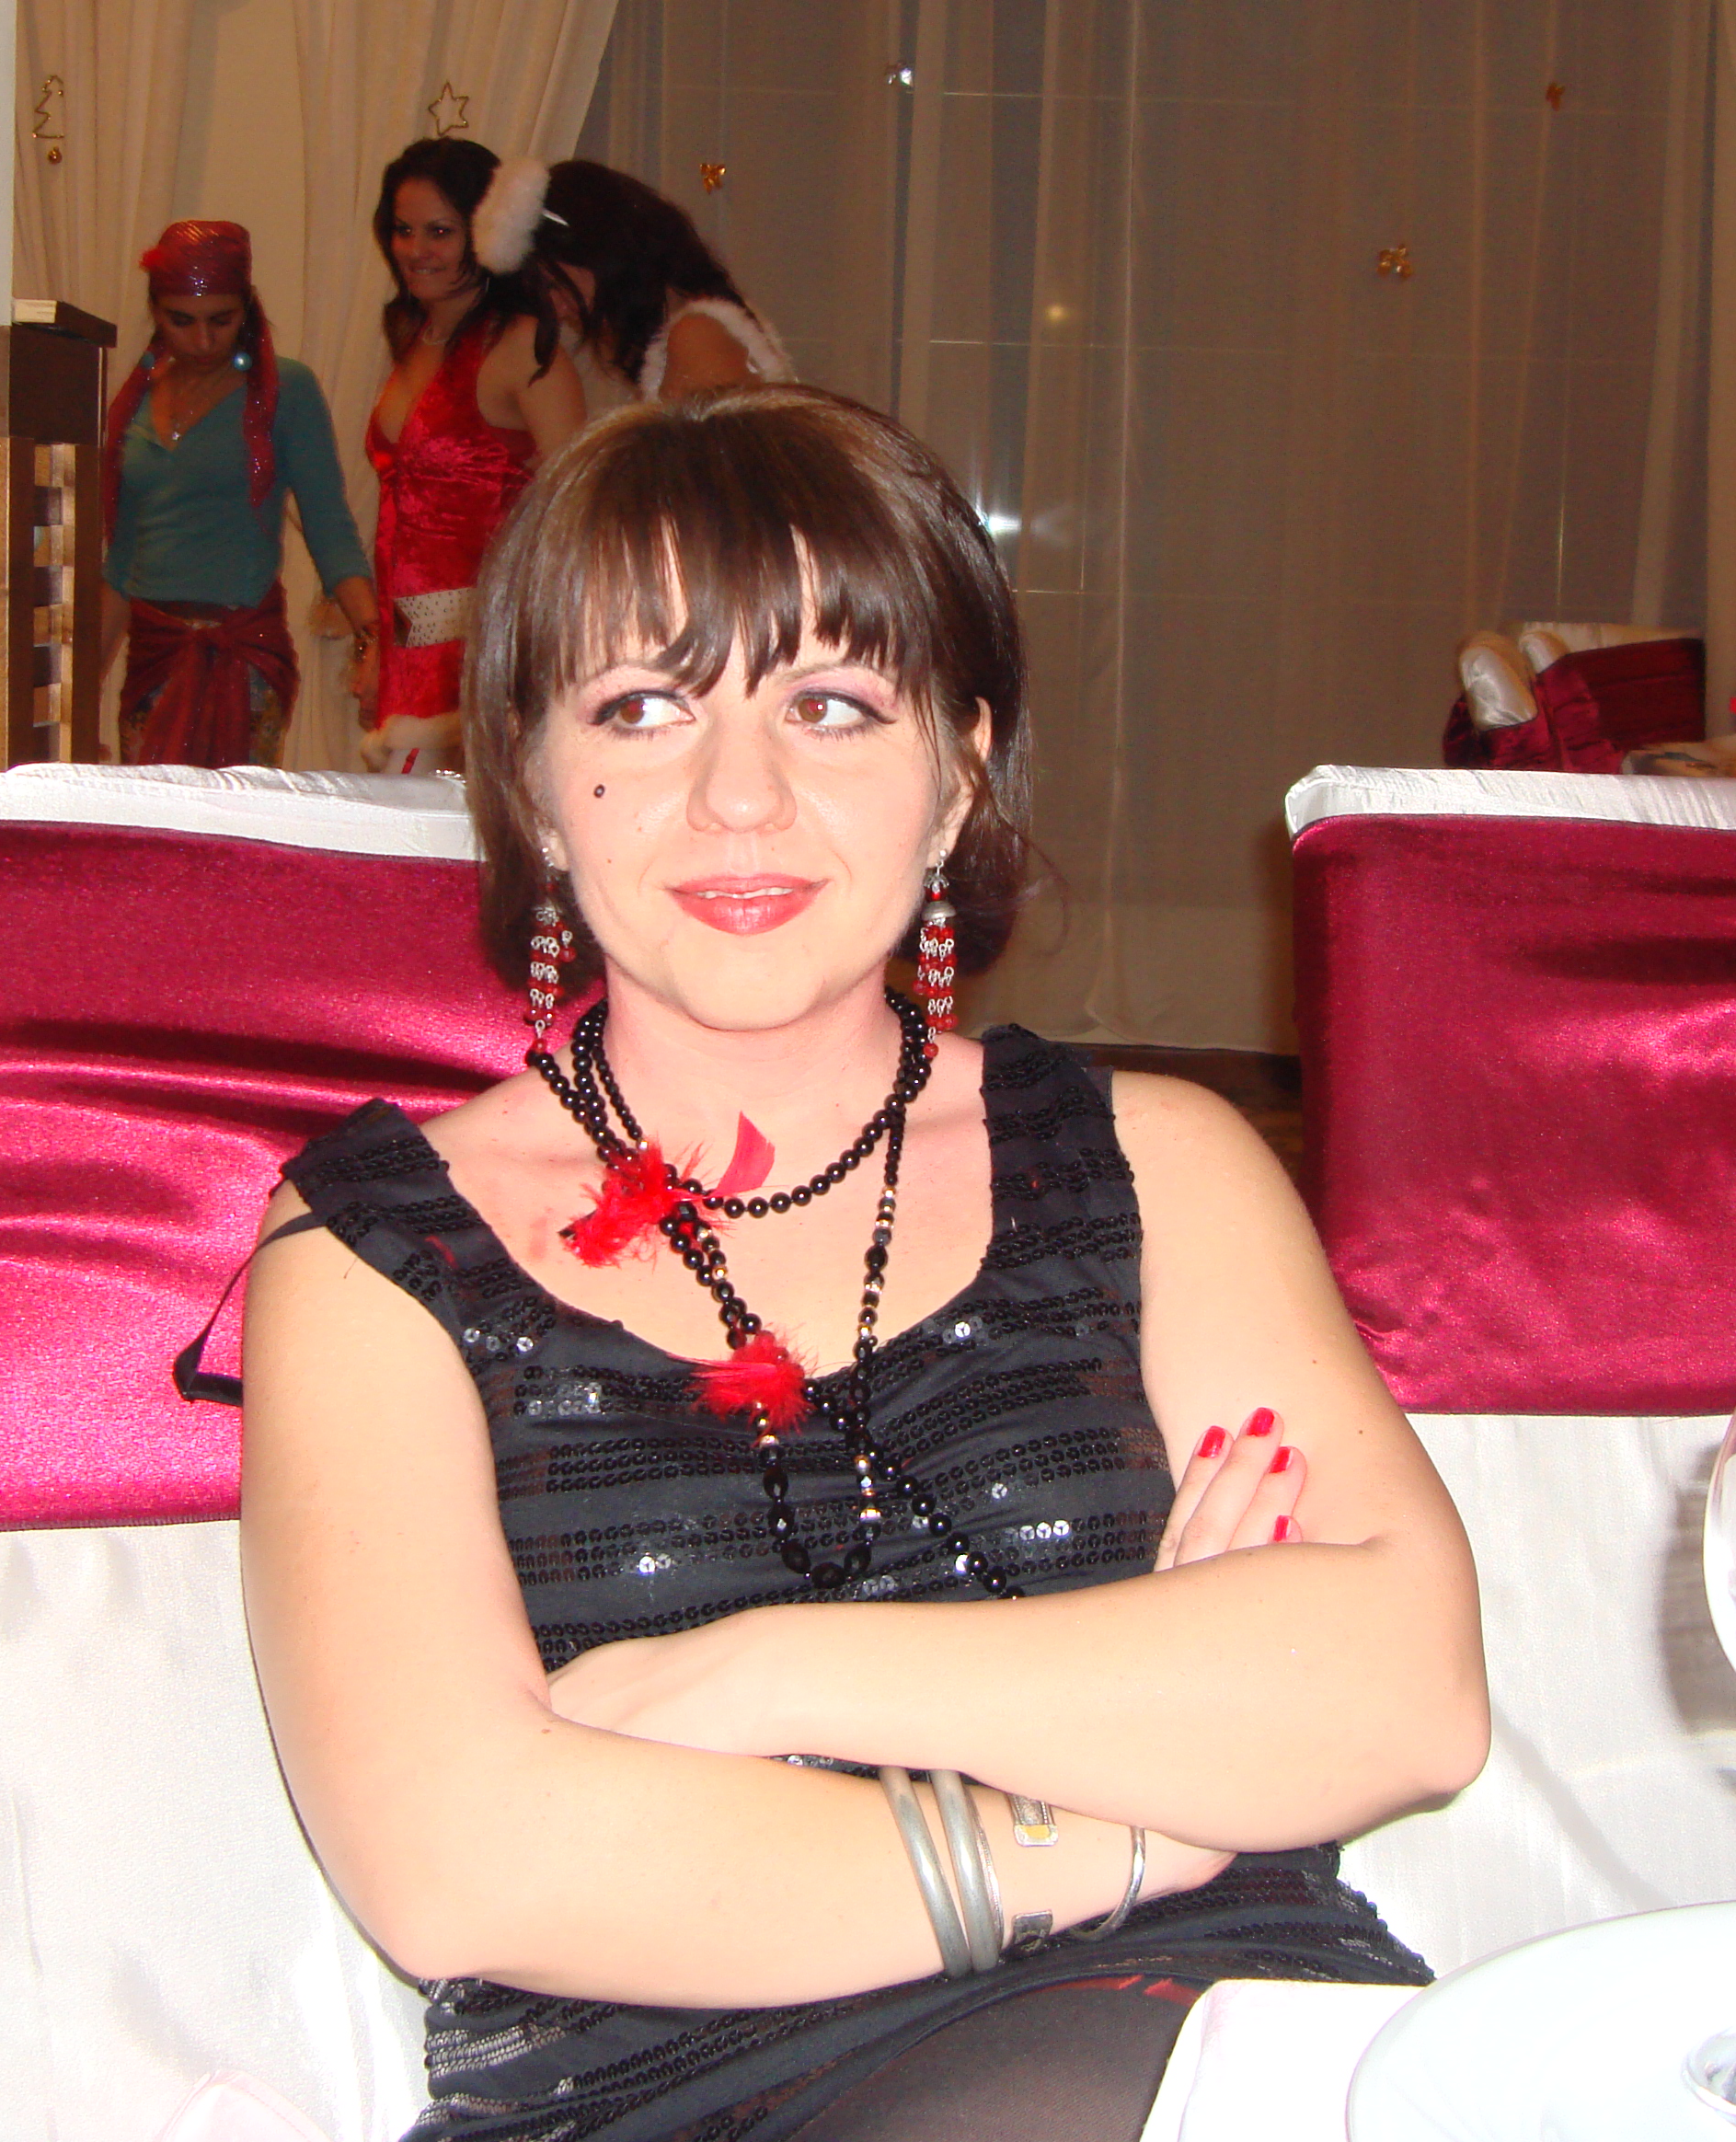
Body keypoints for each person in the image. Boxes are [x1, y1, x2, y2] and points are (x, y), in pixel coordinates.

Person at [238, 388, 1486, 2141]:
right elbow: (462, 1856)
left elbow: (1406, 1690)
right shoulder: (378, 1250)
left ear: (956, 772)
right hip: (683, 2095)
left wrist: (766, 1669)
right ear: (528, 779)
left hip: (1236, 2042)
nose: (738, 796)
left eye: (829, 706)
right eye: (643, 707)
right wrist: (1122, 1825)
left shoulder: (1153, 1165)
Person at [96, 221, 376, 766]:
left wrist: (373, 642)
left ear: (246, 310)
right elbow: (122, 561)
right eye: (182, 321)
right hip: (154, 653)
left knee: (235, 811)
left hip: (243, 657)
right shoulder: (135, 400)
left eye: (220, 320)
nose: (203, 340)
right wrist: (79, 694)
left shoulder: (285, 390)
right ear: (155, 312)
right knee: (151, 814)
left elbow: (330, 531)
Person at [362, 138, 589, 771]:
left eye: (440, 232)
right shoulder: (414, 336)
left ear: (485, 234)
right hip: (405, 655)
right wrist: (378, 648)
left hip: (484, 663)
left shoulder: (522, 347)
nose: (415, 250)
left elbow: (579, 514)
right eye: (403, 230)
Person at [473, 156, 796, 417]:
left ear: (604, 255)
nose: (557, 308)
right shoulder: (691, 326)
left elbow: (719, 473)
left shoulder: (696, 335)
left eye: (557, 285)